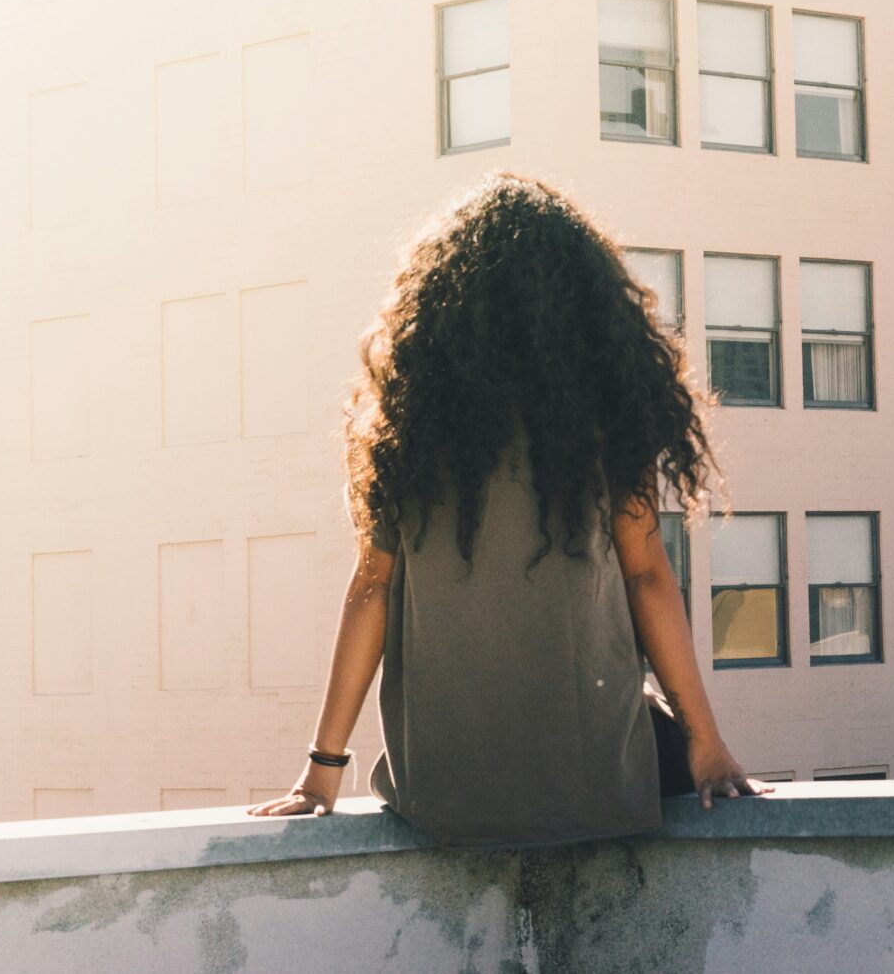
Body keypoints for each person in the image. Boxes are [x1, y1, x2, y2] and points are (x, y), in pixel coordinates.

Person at [249, 172, 763, 845]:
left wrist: (321, 771)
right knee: (648, 723)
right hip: (593, 790)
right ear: (582, 303)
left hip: (441, 797)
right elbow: (647, 577)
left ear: (438, 309)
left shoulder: (407, 426)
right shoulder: (604, 422)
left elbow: (371, 588)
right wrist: (707, 745)